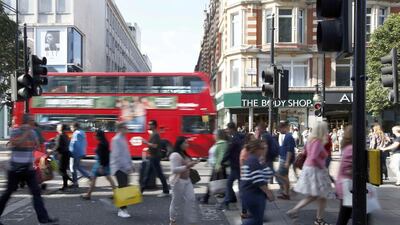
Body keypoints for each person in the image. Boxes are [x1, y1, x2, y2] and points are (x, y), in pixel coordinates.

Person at [0, 114, 58, 225]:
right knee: (7, 193)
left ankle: (44, 219)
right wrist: (26, 134)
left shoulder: (33, 133)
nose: (33, 122)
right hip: (15, 169)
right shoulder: (15, 131)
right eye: (31, 120)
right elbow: (15, 144)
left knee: (36, 193)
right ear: (26, 122)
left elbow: (36, 146)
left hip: (28, 169)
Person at [286, 121, 334, 225]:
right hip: (316, 170)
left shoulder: (310, 141)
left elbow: (307, 154)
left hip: (311, 169)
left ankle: (317, 218)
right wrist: (323, 167)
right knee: (319, 195)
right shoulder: (317, 142)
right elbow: (313, 158)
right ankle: (315, 218)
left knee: (319, 196)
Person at [240, 139, 274, 225]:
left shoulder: (257, 160)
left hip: (255, 194)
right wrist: (268, 192)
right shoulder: (253, 160)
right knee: (257, 220)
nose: (265, 149)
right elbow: (258, 180)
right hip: (252, 194)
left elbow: (269, 173)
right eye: (263, 148)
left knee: (257, 220)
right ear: (256, 149)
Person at [169, 136, 199, 225]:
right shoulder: (175, 155)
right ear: (180, 144)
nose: (187, 144)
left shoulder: (184, 153)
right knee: (176, 202)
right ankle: (172, 220)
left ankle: (189, 221)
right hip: (178, 181)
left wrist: (193, 162)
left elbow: (187, 164)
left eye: (187, 142)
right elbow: (174, 169)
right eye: (185, 143)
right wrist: (188, 166)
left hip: (187, 180)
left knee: (191, 199)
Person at [81, 130, 116, 200]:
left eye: (95, 135)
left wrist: (101, 166)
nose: (94, 136)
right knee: (109, 179)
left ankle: (88, 195)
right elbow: (106, 154)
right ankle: (116, 193)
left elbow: (102, 156)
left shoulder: (101, 145)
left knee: (93, 178)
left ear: (99, 136)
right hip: (105, 164)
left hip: (99, 164)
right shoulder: (105, 142)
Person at [218, 122, 245, 210]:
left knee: (239, 187)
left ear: (231, 129)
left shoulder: (234, 139)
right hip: (237, 165)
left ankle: (244, 207)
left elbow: (228, 152)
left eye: (228, 129)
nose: (227, 131)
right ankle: (228, 201)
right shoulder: (240, 136)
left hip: (236, 165)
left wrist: (222, 162)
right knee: (230, 184)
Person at [110, 123, 134, 218]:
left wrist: (130, 164)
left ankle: (121, 207)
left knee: (124, 188)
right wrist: (127, 166)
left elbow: (126, 154)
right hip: (119, 168)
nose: (127, 130)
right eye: (126, 128)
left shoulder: (123, 138)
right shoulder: (116, 140)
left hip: (124, 167)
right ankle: (122, 210)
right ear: (120, 129)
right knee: (123, 188)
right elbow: (117, 156)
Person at [141, 120, 169, 196]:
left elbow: (155, 145)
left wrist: (146, 142)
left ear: (154, 125)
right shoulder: (153, 134)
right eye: (148, 124)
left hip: (155, 157)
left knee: (159, 174)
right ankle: (141, 191)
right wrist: (148, 148)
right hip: (152, 156)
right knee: (147, 175)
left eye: (150, 124)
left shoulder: (155, 134)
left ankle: (166, 191)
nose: (148, 125)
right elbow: (153, 146)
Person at [200, 129, 228, 204]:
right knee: (217, 183)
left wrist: (218, 165)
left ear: (218, 135)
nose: (213, 136)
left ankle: (206, 198)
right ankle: (206, 198)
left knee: (214, 183)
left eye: (214, 134)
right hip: (216, 166)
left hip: (218, 167)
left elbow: (221, 156)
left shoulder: (222, 144)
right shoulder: (218, 143)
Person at [276, 120, 296, 200]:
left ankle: (288, 189)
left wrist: (287, 161)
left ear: (284, 128)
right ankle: (286, 193)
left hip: (285, 159)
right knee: (285, 176)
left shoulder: (288, 136)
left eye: (280, 129)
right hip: (284, 158)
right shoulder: (288, 136)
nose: (279, 131)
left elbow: (289, 150)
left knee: (278, 174)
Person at [69, 122, 90, 188]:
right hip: (81, 152)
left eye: (71, 127)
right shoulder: (82, 132)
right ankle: (88, 176)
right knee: (77, 166)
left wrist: (70, 152)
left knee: (72, 167)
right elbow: (85, 143)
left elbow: (74, 144)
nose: (71, 129)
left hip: (75, 153)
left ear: (75, 127)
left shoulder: (76, 133)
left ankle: (75, 183)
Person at [53, 124, 72, 191]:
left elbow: (58, 146)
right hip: (66, 154)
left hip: (62, 155)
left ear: (60, 128)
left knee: (61, 170)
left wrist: (51, 151)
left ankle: (70, 181)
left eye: (57, 127)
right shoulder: (65, 135)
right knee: (63, 170)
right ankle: (65, 185)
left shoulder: (60, 135)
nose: (56, 128)